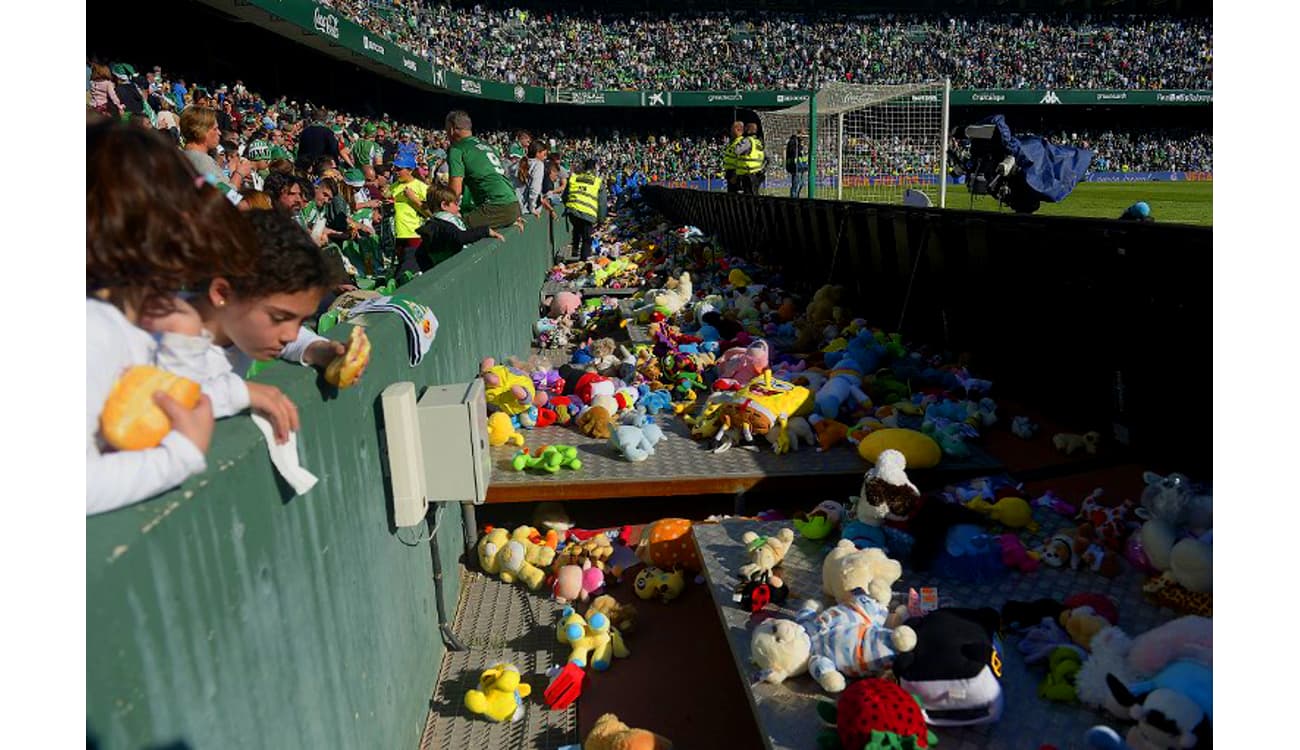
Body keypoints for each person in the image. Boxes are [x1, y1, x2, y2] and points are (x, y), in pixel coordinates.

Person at [87, 121, 259, 515]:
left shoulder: (143, 317)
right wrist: (179, 455)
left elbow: (165, 411)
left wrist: (182, 341)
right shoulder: (91, 328)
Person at [138, 210, 349, 444]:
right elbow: (160, 399)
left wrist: (317, 349)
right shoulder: (161, 330)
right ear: (222, 293)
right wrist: (241, 392)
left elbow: (292, 335)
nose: (290, 335)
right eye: (279, 318)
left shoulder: (240, 327)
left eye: (299, 320)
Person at [444, 110, 524, 229]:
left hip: (496, 206)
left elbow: (455, 191)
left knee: (450, 227)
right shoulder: (487, 146)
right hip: (513, 204)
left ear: (451, 128)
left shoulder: (457, 149)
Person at [408, 184, 509, 274]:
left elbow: (420, 254)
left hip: (443, 271)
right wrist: (485, 231)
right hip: (456, 271)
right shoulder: (445, 225)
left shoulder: (433, 224)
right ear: (444, 205)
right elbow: (460, 237)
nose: (459, 207)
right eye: (455, 203)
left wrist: (430, 272)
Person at [388, 151, 431, 267]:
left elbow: (431, 214)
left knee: (413, 268)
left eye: (399, 169)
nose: (395, 171)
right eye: (395, 168)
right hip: (396, 235)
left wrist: (414, 199)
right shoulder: (392, 187)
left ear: (410, 170)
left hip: (414, 234)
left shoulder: (421, 187)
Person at [562, 158, 608, 261]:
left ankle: (575, 248)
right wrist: (601, 220)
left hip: (572, 211)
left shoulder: (574, 178)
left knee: (577, 228)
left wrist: (570, 206)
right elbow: (602, 203)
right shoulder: (598, 182)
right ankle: (583, 262)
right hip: (588, 213)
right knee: (587, 239)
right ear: (595, 169)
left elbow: (565, 196)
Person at [516, 140, 551, 217]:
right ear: (537, 153)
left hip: (514, 206)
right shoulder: (538, 164)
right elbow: (535, 189)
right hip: (525, 209)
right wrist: (532, 207)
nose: (545, 157)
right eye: (544, 154)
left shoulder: (518, 162)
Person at [735, 122, 764, 194]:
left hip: (748, 174)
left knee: (748, 197)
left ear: (748, 130)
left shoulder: (747, 140)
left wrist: (738, 139)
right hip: (757, 173)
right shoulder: (758, 142)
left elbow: (737, 151)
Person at [785, 130, 809, 198]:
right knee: (796, 184)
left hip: (802, 166)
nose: (804, 137)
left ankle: (796, 197)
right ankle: (793, 198)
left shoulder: (801, 143)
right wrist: (799, 146)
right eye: (803, 135)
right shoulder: (793, 142)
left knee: (802, 184)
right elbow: (793, 152)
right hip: (795, 166)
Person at [723, 121, 744, 193]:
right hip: (730, 172)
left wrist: (735, 176)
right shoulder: (734, 142)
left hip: (735, 174)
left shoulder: (741, 143)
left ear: (738, 130)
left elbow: (741, 161)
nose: (730, 132)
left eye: (732, 129)